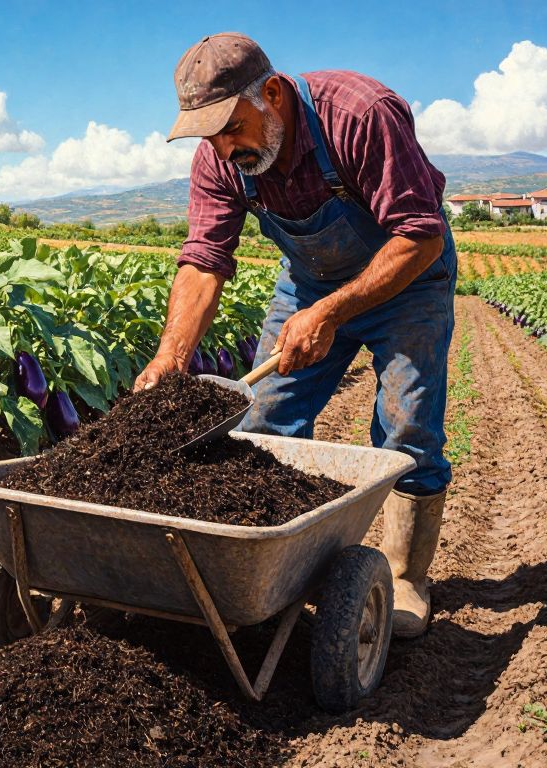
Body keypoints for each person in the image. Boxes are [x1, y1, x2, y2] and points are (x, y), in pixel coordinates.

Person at [134, 33, 456, 638]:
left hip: (408, 278)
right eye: (209, 134)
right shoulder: (220, 160)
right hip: (311, 284)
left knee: (407, 427)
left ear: (273, 94)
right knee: (261, 420)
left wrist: (333, 313)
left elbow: (420, 234)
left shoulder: (359, 115)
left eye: (231, 127)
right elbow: (204, 257)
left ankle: (406, 575)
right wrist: (171, 354)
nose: (224, 147)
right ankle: (273, 567)